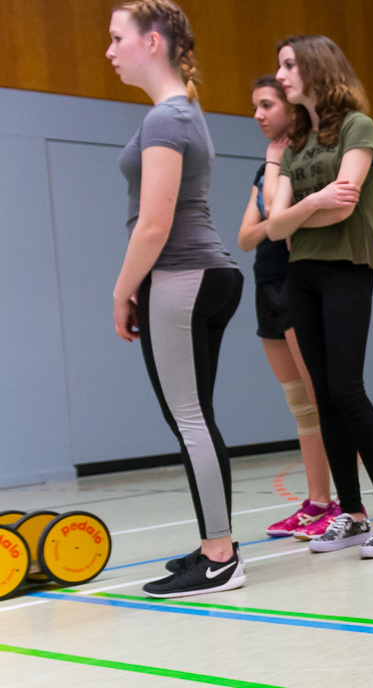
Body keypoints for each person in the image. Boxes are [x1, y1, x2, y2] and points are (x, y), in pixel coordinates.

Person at [106, 0, 247, 599]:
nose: (109, 51)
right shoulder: (181, 112)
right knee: (193, 418)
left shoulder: (167, 118)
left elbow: (154, 224)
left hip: (182, 277)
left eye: (117, 38)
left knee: (189, 419)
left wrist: (123, 290)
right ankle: (214, 543)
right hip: (201, 276)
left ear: (152, 42)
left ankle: (220, 558)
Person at [266, 35, 373, 558]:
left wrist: (300, 212)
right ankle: (351, 513)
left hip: (346, 267)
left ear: (316, 67)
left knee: (347, 388)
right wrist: (313, 204)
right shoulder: (296, 141)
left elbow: (345, 206)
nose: (280, 75)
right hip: (301, 272)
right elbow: (273, 227)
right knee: (322, 394)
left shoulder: (357, 126)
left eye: (289, 65)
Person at [235, 75, 339, 540]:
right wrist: (276, 219)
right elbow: (246, 237)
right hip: (267, 286)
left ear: (289, 108)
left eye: (266, 105)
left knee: (324, 398)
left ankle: (346, 502)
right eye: (254, 107)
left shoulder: (301, 160)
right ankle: (317, 502)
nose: (257, 115)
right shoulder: (266, 169)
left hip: (300, 281)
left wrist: (279, 215)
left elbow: (281, 223)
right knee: (300, 404)